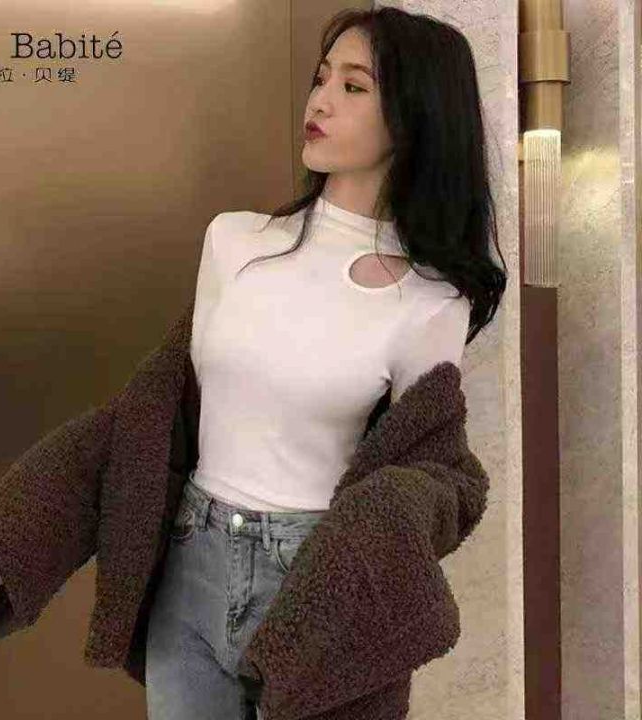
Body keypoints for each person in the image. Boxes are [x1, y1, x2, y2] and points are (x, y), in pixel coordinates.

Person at [144, 6, 506, 720]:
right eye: (320, 78)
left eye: (354, 86)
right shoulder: (233, 243)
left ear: (414, 118)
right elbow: (176, 408)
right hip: (192, 560)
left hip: (316, 575)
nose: (320, 100)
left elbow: (425, 462)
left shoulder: (431, 302)